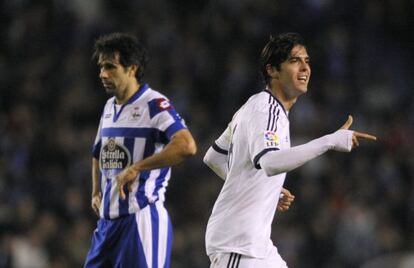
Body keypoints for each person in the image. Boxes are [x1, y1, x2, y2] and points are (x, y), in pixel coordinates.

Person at [203, 32, 377, 268]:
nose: (305, 67)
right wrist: (329, 141)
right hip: (238, 246)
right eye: (295, 60)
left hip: (258, 247)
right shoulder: (267, 109)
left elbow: (214, 157)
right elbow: (270, 162)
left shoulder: (258, 107)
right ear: (272, 70)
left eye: (307, 61)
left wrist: (269, 189)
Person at [84, 32, 197, 268]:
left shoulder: (154, 104)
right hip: (106, 226)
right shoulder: (108, 107)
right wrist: (96, 192)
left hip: (140, 219)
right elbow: (97, 152)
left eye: (110, 67)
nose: (102, 74)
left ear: (132, 68)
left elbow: (186, 145)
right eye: (101, 67)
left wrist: (138, 167)